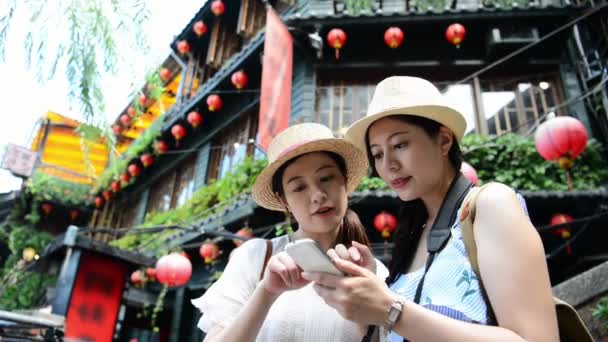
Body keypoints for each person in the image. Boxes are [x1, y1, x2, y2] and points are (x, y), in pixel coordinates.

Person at [303, 76, 560, 341]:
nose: (388, 165)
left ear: (444, 141)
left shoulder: (490, 205)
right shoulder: (415, 235)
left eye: (400, 145)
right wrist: (374, 287)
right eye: (378, 154)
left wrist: (391, 309)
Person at [191, 123, 388, 342]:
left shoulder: (372, 272)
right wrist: (266, 292)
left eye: (326, 178)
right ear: (284, 199)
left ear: (344, 180)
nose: (318, 195)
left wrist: (367, 310)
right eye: (299, 187)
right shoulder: (256, 256)